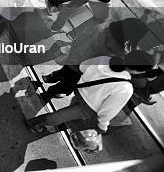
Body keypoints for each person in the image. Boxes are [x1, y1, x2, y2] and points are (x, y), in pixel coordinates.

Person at [26, 51, 154, 135]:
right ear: (137, 71)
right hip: (88, 107)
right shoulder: (125, 88)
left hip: (80, 90)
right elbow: (108, 110)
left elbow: (82, 67)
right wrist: (103, 126)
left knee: (66, 113)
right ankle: (34, 124)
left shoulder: (105, 59)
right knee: (58, 117)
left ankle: (40, 124)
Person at [42, 18, 151, 101]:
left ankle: (50, 77)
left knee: (65, 71)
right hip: (82, 68)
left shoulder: (104, 26)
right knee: (68, 84)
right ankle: (50, 93)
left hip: (75, 56)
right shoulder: (119, 49)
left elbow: (82, 36)